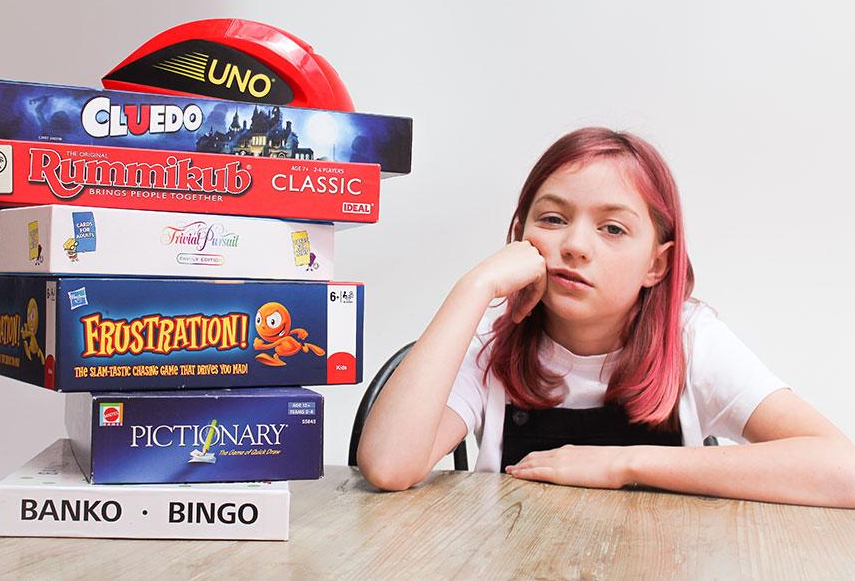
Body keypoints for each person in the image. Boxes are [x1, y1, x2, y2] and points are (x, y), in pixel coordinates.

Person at [357, 127, 855, 507]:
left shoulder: (690, 339)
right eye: (552, 219)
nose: (575, 246)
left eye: (613, 229)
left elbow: (843, 468)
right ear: (519, 235)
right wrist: (473, 289)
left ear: (657, 263)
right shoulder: (491, 341)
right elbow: (388, 465)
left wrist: (622, 463)